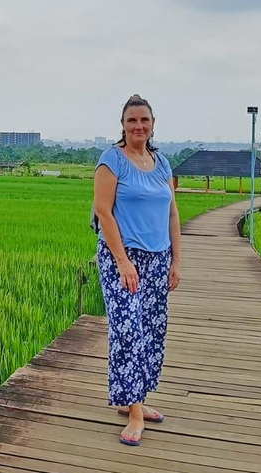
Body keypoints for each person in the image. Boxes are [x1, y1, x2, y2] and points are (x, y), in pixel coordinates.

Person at [93, 94, 181, 446]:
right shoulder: (111, 161)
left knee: (152, 330)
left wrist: (176, 259)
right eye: (132, 121)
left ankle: (136, 397)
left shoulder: (161, 163)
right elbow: (103, 212)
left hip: (158, 258)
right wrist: (123, 262)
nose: (138, 127)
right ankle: (133, 411)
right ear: (123, 125)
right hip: (122, 257)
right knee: (128, 330)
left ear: (153, 124)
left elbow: (173, 214)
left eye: (144, 120)